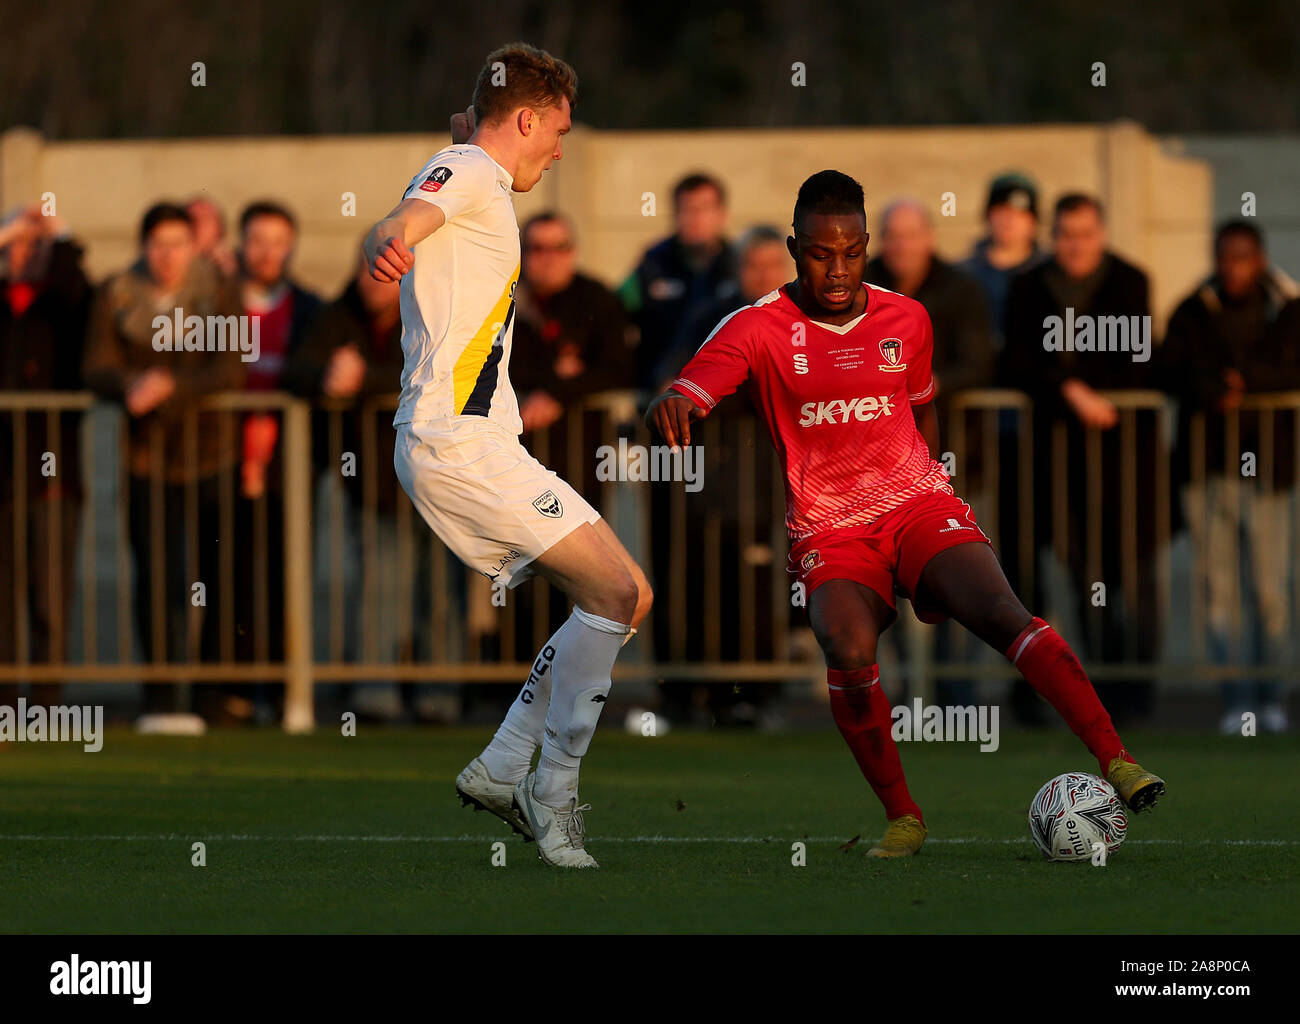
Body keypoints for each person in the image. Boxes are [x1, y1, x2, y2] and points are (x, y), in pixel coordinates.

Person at [647, 170, 1165, 856]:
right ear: (794, 245)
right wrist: (673, 402)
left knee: (1003, 611)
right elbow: (691, 384)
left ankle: (1117, 760)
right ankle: (904, 815)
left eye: (853, 252)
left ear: (866, 246)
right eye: (821, 253)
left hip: (915, 504)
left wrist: (932, 488)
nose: (838, 271)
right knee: (848, 645)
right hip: (829, 529)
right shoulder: (756, 325)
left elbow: (919, 409)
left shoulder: (907, 317)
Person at [363, 42, 652, 869]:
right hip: (456, 443)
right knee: (612, 590)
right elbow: (423, 205)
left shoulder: (469, 162)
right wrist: (393, 228)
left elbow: (449, 172)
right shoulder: (471, 169)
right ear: (525, 120)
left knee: (634, 596)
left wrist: (457, 147)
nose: (561, 149)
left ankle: (501, 767)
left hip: (480, 441)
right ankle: (550, 792)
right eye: (556, 130)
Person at [82, 202, 246, 722]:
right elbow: (94, 366)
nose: (167, 255)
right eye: (157, 244)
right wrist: (129, 383)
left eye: (177, 243)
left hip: (210, 453)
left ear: (192, 246)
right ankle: (161, 692)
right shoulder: (118, 291)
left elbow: (231, 368)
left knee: (212, 576)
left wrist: (171, 386)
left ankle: (210, 693)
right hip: (146, 459)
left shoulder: (218, 289)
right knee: (154, 577)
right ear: (143, 246)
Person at [1002, 193, 1160, 723]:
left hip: (1124, 466)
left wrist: (1076, 382)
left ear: (1103, 233)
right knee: (1075, 579)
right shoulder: (1028, 287)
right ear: (1053, 235)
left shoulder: (1130, 282)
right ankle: (1088, 701)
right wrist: (1068, 387)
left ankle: (1134, 700)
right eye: (1067, 233)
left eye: (1085, 233)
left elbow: (1134, 361)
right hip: (1057, 465)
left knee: (1130, 583)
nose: (1075, 244)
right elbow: (1018, 363)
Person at [1160, 221, 1300, 733]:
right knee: (1219, 592)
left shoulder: (1287, 306)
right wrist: (1210, 386)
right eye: (1225, 257)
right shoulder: (1194, 307)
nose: (1232, 268)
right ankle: (1235, 701)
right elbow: (1167, 367)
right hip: (1206, 469)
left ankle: (1273, 698)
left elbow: (1292, 366)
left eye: (1242, 258)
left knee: (1270, 590)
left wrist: (1247, 382)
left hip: (1269, 472)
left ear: (1259, 260)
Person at [865, 199, 995, 706]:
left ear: (930, 238)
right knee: (890, 582)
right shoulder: (862, 288)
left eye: (910, 235)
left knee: (958, 578)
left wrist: (927, 385)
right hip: (879, 470)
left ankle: (954, 696)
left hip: (957, 459)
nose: (900, 246)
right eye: (891, 236)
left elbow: (980, 363)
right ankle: (901, 694)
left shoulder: (962, 290)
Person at [0, 205, 92, 711]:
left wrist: (61, 236)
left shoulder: (63, 306)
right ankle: (6, 702)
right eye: (14, 246)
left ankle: (49, 703)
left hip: (53, 475)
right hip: (1, 479)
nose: (22, 255)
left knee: (48, 598)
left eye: (33, 247)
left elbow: (81, 295)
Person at [620, 173, 736, 389]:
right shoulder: (653, 263)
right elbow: (615, 311)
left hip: (723, 398)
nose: (695, 218)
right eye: (686, 209)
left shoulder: (740, 267)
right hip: (657, 391)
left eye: (704, 209)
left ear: (722, 215)